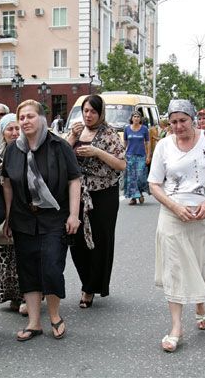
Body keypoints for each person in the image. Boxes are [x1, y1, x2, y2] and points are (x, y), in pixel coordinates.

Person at [148, 99, 205, 353]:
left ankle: (200, 302)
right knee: (174, 267)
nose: (177, 126)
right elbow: (154, 184)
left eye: (182, 121)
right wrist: (174, 207)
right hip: (173, 214)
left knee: (204, 265)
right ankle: (176, 326)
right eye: (173, 122)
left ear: (193, 119)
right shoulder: (164, 145)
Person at [2, 99, 81, 341]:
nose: (25, 121)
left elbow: (74, 180)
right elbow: (7, 184)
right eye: (21, 118)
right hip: (23, 217)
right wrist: (6, 218)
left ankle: (55, 315)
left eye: (30, 116)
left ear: (42, 119)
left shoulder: (59, 146)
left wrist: (74, 214)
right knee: (27, 270)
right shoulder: (13, 149)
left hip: (54, 217)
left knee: (51, 267)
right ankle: (34, 322)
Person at [66, 95, 125, 307]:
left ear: (101, 114)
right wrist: (72, 138)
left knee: (100, 240)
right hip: (77, 192)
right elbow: (61, 153)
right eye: (85, 111)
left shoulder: (109, 134)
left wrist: (97, 152)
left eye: (93, 111)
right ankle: (85, 280)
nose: (88, 115)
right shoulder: (77, 130)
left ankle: (90, 288)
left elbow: (121, 164)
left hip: (104, 193)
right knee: (77, 240)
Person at [0, 113, 26, 315]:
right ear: (2, 132)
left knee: (23, 254)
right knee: (4, 254)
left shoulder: (28, 151)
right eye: (9, 129)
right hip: (2, 211)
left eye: (16, 128)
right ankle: (11, 294)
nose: (14, 133)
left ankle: (26, 295)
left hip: (24, 210)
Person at [123, 110, 150, 205]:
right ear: (131, 118)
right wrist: (123, 155)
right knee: (131, 178)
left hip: (141, 156)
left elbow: (147, 142)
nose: (136, 118)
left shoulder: (144, 129)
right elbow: (125, 143)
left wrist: (148, 155)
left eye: (138, 117)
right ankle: (133, 198)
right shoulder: (127, 129)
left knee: (139, 177)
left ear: (140, 119)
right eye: (134, 116)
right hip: (130, 156)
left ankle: (140, 193)